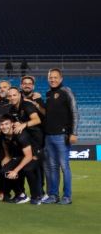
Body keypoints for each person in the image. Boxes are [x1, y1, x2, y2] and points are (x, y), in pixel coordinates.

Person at [42, 68, 77, 205]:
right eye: (51, 77)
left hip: (62, 136)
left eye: (55, 77)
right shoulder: (49, 94)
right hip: (48, 136)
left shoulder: (66, 91)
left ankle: (67, 196)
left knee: (64, 167)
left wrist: (74, 132)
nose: (53, 79)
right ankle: (53, 195)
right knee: (52, 167)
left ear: (61, 79)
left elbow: (74, 112)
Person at [0, 114, 42, 204]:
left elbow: (28, 156)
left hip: (34, 155)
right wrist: (7, 157)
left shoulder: (20, 135)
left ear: (12, 124)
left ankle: (36, 196)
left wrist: (15, 171)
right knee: (4, 171)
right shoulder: (2, 134)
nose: (4, 127)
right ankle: (21, 195)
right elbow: (5, 145)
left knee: (27, 170)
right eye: (2, 124)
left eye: (6, 124)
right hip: (21, 156)